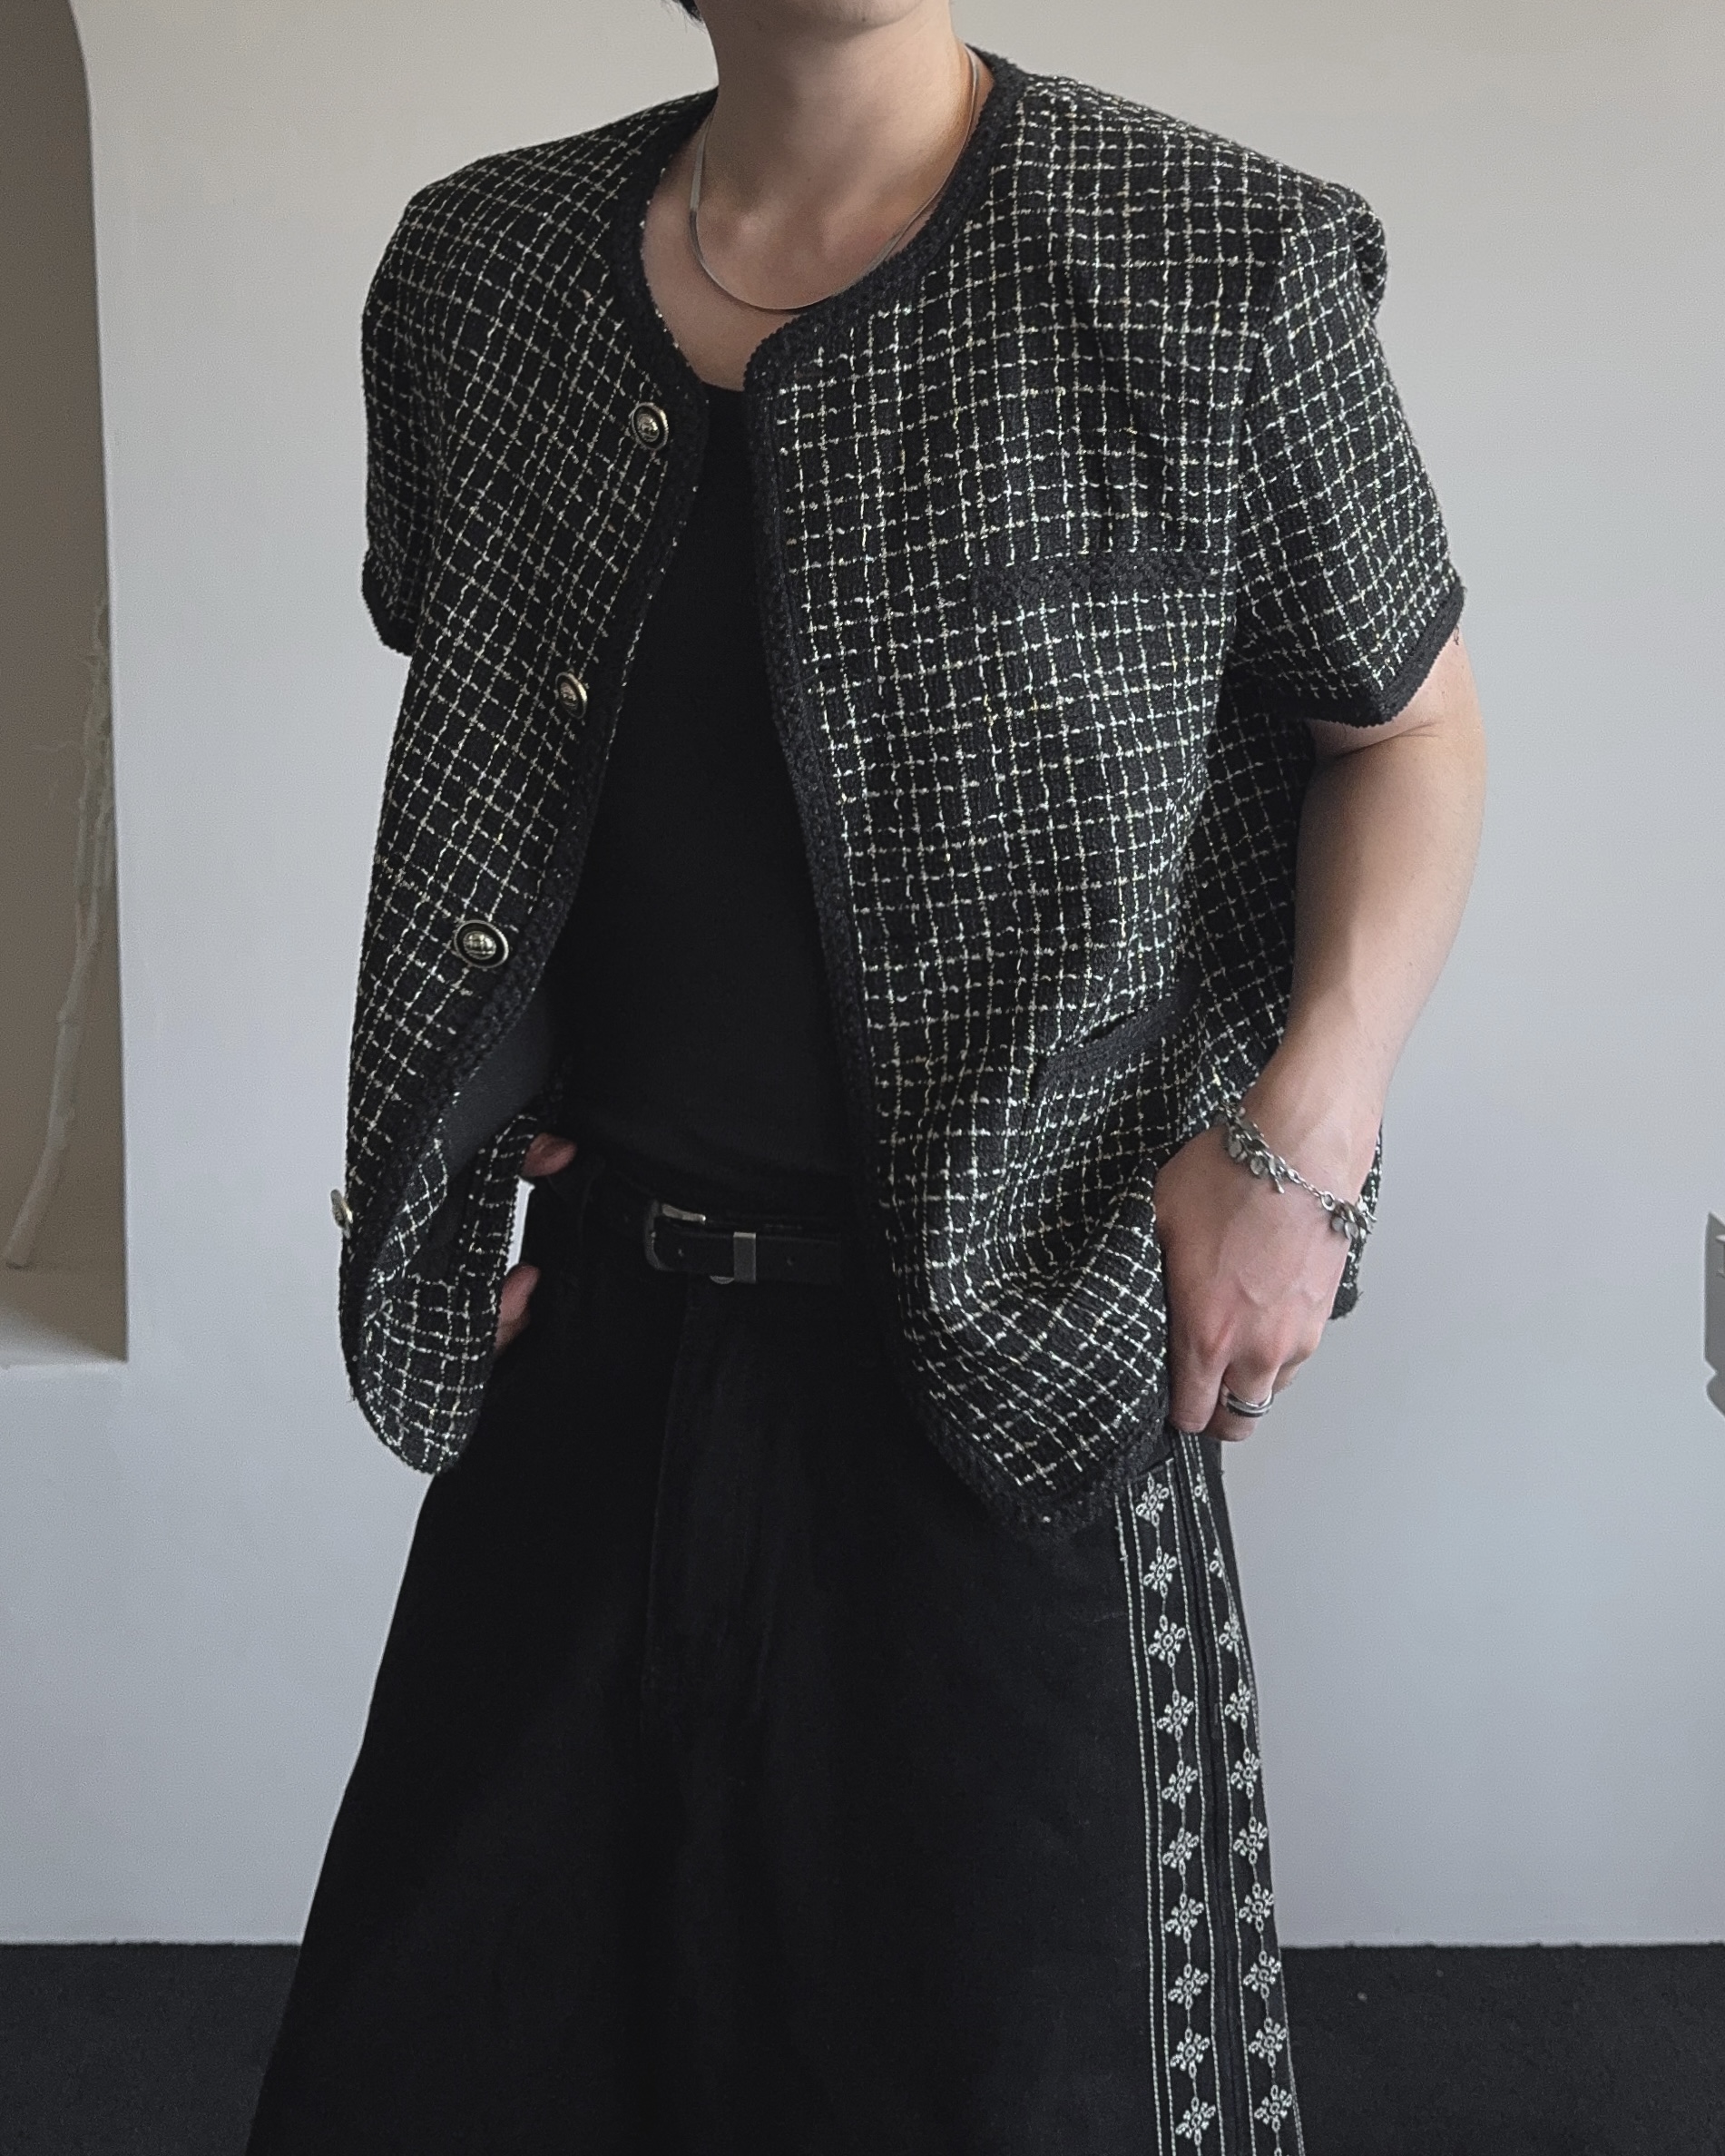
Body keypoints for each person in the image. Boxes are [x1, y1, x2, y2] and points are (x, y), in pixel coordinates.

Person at [248, 2, 1485, 2150]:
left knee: (1010, 2085)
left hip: (1025, 1357)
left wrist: (1310, 1143)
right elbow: (525, 748)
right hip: (598, 1340)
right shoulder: (481, 270)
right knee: (449, 2057)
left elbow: (1410, 732)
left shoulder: (1216, 257)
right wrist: (472, 1137)